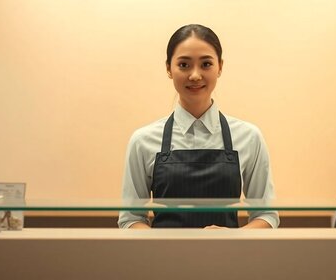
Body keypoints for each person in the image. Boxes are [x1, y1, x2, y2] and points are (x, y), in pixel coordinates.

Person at [118, 24, 279, 229]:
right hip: (164, 259)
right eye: (184, 65)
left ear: (220, 66)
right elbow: (130, 219)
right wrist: (167, 247)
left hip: (227, 258)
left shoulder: (249, 137)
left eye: (206, 64)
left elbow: (267, 215)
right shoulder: (142, 140)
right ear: (169, 68)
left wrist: (231, 237)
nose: (195, 75)